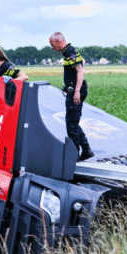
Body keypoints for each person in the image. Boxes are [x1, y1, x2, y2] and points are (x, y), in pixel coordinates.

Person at [49, 32, 93, 161]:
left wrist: (76, 90)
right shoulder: (69, 51)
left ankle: (74, 154)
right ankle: (86, 150)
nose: (52, 48)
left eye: (52, 44)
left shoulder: (69, 52)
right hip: (73, 89)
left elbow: (80, 70)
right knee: (72, 121)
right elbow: (82, 61)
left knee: (71, 125)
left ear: (59, 41)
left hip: (76, 91)